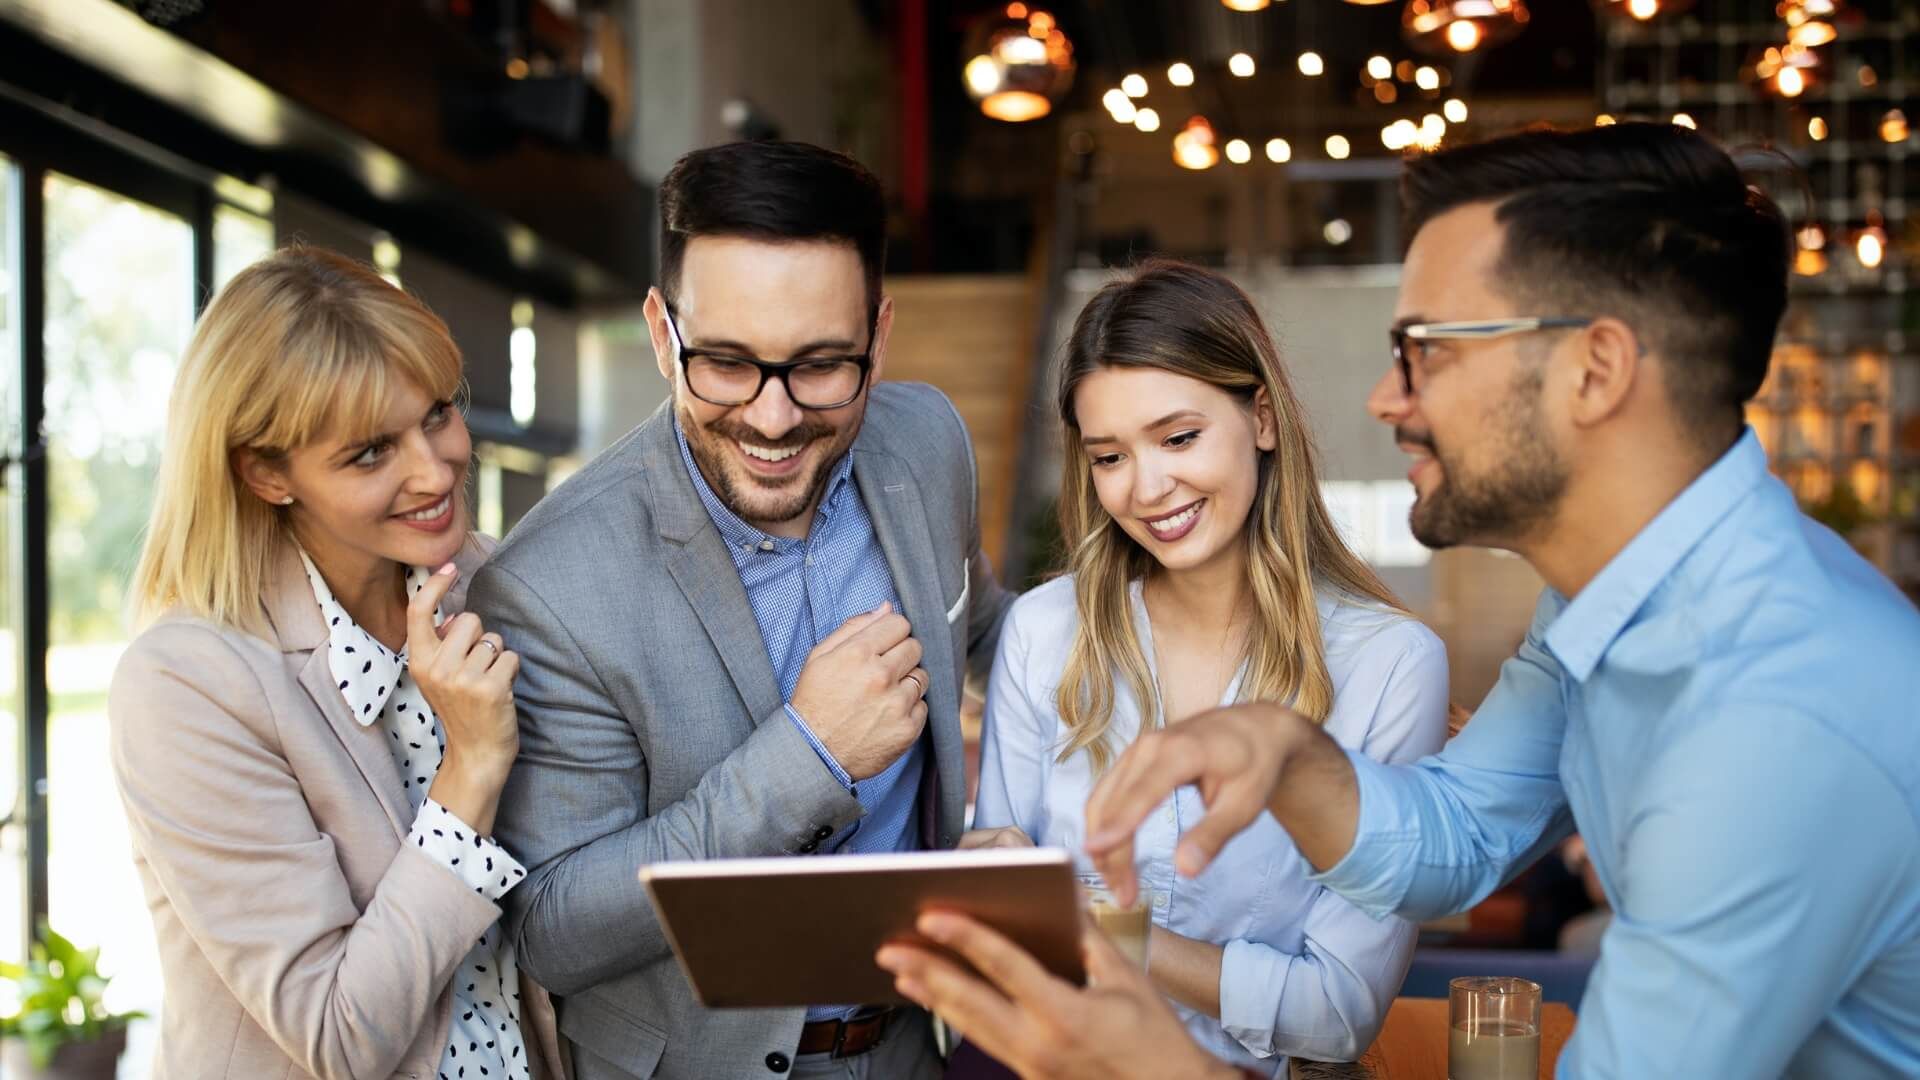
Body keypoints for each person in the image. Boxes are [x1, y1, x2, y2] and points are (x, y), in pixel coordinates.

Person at [878, 122, 1920, 1078]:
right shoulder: (1606, 606)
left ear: (1596, 370)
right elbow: (1453, 838)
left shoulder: (1778, 716)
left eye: (1428, 350)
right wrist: (1289, 755)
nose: (1386, 399)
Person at [466, 139, 1015, 1080]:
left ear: (878, 336)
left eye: (821, 366)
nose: (771, 419)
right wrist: (806, 758)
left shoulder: (929, 442)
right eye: (723, 363)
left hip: (921, 1051)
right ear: (659, 330)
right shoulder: (547, 585)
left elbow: (987, 630)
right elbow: (554, 928)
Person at [970, 259, 1449, 1076]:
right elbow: (1001, 917)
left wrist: (1096, 936)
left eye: (1179, 437)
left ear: (1261, 418)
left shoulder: (1390, 666)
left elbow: (1337, 1013)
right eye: (1109, 457)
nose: (1147, 488)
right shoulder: (1045, 631)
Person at [109, 248, 565, 1079]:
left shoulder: (499, 592)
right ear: (266, 473)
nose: (436, 470)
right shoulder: (187, 684)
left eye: (436, 414)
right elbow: (337, 1034)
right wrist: (470, 770)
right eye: (368, 453)